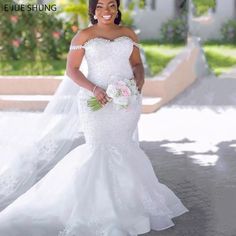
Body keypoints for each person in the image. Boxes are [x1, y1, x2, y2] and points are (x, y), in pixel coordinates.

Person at [0, 0, 189, 235]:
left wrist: (138, 80)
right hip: (95, 101)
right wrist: (95, 90)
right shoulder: (83, 36)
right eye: (100, 6)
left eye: (111, 5)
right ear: (93, 10)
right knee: (99, 148)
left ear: (118, 8)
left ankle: (130, 206)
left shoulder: (127, 33)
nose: (106, 11)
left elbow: (137, 63)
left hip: (126, 101)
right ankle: (99, 211)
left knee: (123, 147)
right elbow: (72, 70)